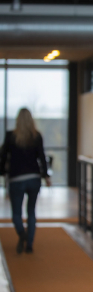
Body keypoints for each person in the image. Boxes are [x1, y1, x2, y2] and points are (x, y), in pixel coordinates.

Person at [0, 108, 51, 254]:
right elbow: (42, 157)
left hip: (16, 178)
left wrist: (2, 171)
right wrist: (46, 175)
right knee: (31, 211)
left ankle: (22, 234)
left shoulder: (11, 136)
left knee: (16, 213)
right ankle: (29, 244)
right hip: (34, 178)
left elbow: (3, 156)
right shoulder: (36, 136)